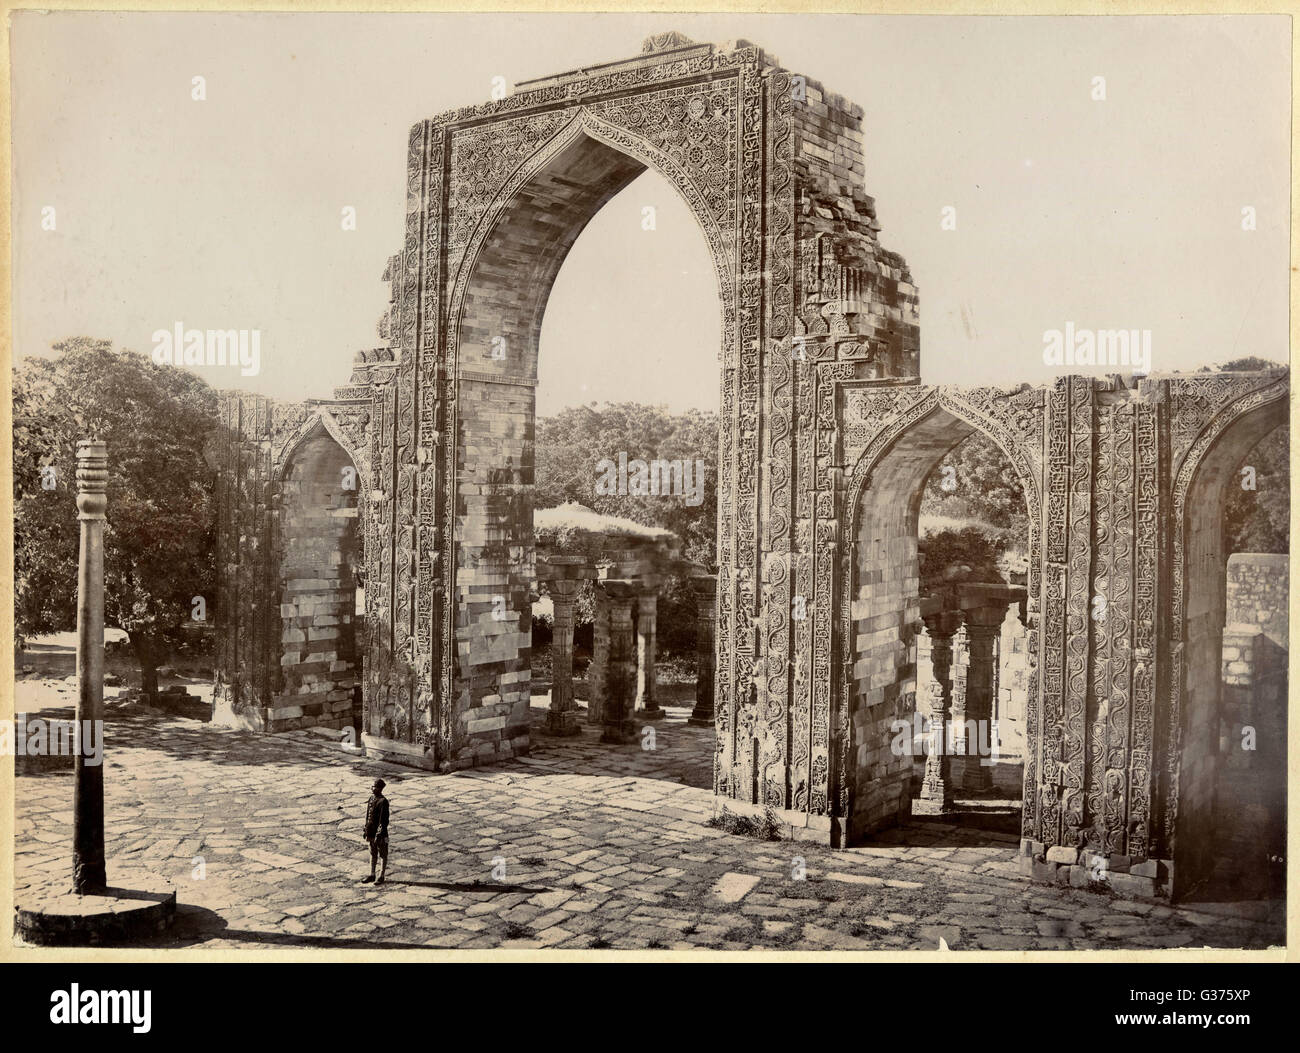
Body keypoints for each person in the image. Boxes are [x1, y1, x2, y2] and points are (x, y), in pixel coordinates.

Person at [361, 778, 390, 884]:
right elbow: (368, 816)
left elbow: (384, 821)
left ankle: (381, 875)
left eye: (375, 787)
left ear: (380, 789)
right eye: (372, 786)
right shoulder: (371, 798)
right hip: (371, 832)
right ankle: (372, 874)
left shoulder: (383, 801)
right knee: (372, 853)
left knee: (382, 853)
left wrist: (379, 834)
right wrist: (366, 829)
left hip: (380, 834)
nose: (373, 788)